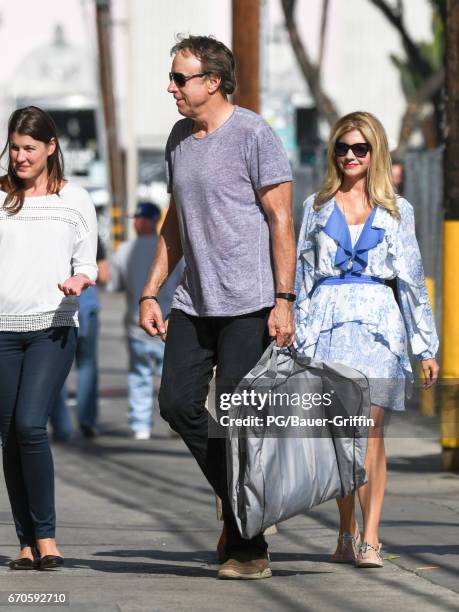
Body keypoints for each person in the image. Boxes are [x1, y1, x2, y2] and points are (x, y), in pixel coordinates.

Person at [139, 35, 295, 580]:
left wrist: (284, 299)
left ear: (212, 81)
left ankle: (248, 545)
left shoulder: (254, 134)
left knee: (238, 422)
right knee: (176, 404)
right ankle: (246, 500)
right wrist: (150, 289)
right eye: (172, 77)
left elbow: (281, 221)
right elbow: (175, 222)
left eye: (180, 78)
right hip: (193, 301)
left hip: (250, 303)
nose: (171, 87)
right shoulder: (180, 138)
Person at [295, 111, 439, 568]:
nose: (351, 156)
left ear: (376, 152)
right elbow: (301, 274)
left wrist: (426, 346)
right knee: (340, 437)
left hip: (379, 327)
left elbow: (413, 280)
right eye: (342, 147)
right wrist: (292, 329)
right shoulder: (315, 206)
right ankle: (345, 530)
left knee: (370, 433)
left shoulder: (398, 210)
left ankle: (371, 537)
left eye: (360, 148)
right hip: (328, 325)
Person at [0, 106, 97, 569]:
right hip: (1, 331)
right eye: (14, 147)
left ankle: (47, 537)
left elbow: (88, 261)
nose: (19, 157)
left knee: (30, 425)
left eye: (29, 149)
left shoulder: (74, 200)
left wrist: (81, 280)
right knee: (9, 435)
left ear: (50, 148)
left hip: (52, 328)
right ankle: (24, 542)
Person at [108, 202, 183, 440]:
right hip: (167, 324)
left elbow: (113, 284)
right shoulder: (173, 248)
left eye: (139, 218)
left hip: (138, 323)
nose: (136, 222)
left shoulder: (125, 250)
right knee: (169, 377)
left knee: (139, 376)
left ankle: (141, 425)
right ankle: (173, 424)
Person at [50, 238, 109, 441]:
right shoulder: (89, 232)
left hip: (55, 307)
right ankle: (87, 420)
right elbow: (105, 274)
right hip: (86, 306)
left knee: (54, 368)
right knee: (86, 364)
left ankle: (61, 426)